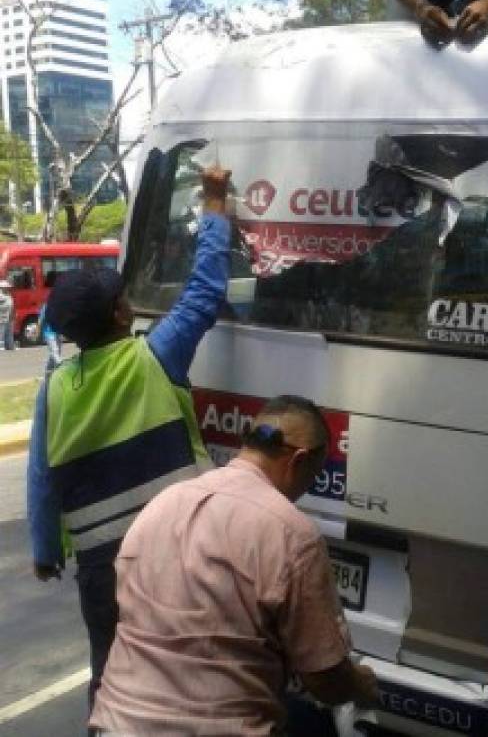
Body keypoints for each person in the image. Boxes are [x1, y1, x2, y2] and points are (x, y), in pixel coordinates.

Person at [27, 165, 232, 717]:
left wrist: (46, 551)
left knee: (112, 675)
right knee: (189, 673)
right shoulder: (155, 355)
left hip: (101, 568)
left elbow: (43, 480)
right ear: (122, 312)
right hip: (175, 554)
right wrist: (215, 205)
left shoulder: (55, 389)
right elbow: (206, 290)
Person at [90, 394, 379, 736]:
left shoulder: (164, 503)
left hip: (114, 722)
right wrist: (361, 686)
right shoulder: (290, 532)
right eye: (314, 476)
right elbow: (326, 681)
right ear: (299, 461)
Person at [0, 280, 15, 350]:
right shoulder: (1, 295)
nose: (8, 288)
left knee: (9, 332)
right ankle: (1, 347)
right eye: (6, 287)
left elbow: (11, 305)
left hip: (10, 317)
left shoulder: (8, 294)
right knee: (1, 333)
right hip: (2, 317)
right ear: (2, 288)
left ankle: (10, 346)